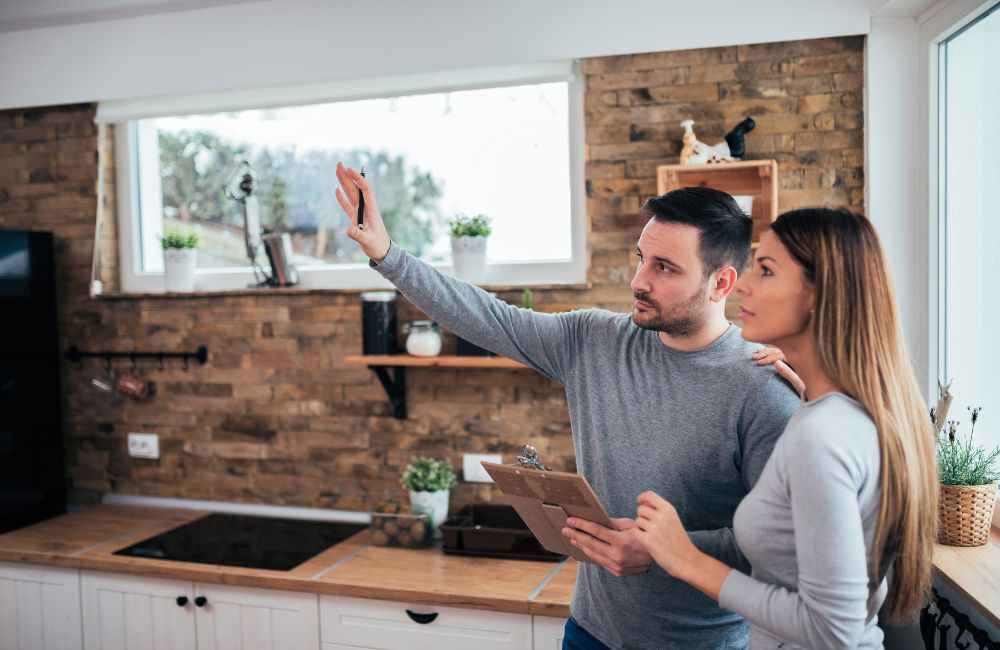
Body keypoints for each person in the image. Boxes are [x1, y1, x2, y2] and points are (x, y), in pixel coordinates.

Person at [334, 162, 801, 649]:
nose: (639, 280)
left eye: (664, 268)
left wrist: (666, 549)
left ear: (721, 284)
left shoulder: (762, 387)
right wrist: (386, 254)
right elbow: (486, 317)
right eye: (641, 258)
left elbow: (781, 545)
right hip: (589, 633)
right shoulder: (593, 339)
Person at [633, 208, 938, 649]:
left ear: (819, 294)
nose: (744, 284)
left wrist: (685, 559)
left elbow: (833, 630)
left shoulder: (823, 437)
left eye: (767, 270)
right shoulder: (845, 415)